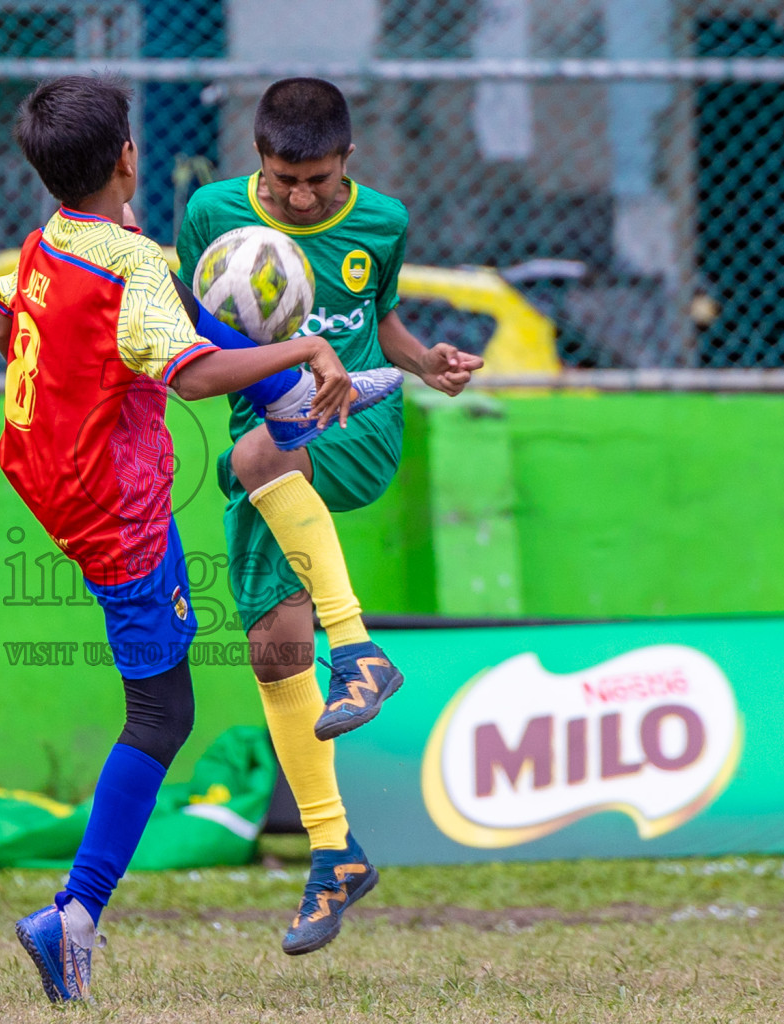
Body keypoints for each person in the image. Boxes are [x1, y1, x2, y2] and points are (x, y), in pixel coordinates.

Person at [0, 75, 405, 1004]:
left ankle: (303, 407)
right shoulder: (130, 264)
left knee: (227, 361)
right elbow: (195, 376)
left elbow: (19, 300)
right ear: (128, 156)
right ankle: (74, 915)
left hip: (51, 476)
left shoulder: (58, 239)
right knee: (161, 716)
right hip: (113, 514)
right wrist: (299, 345)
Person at [177, 78, 485, 955]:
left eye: (315, 179)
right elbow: (202, 325)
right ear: (256, 161)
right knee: (274, 651)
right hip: (264, 438)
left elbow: (377, 318)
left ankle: (359, 652)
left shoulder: (381, 220)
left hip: (353, 424)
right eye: (281, 181)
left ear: (346, 160)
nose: (298, 196)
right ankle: (332, 856)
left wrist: (424, 364)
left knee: (253, 456)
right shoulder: (211, 215)